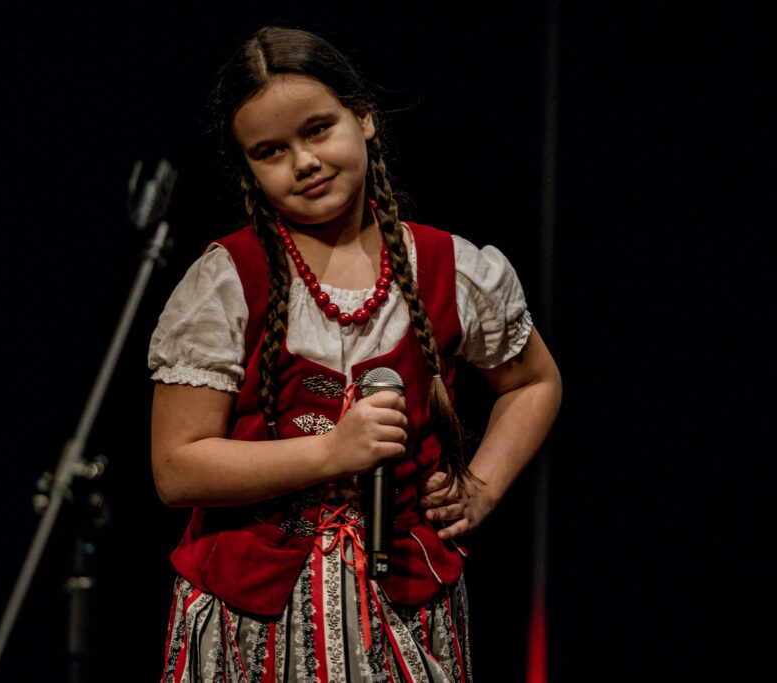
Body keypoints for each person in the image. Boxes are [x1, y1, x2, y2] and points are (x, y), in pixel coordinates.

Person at [148, 26, 561, 682]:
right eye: (271, 150)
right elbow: (176, 467)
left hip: (406, 599)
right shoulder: (229, 281)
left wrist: (479, 489)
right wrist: (329, 453)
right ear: (249, 167)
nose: (304, 161)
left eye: (318, 129)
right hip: (253, 615)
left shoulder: (452, 268)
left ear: (364, 118)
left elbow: (534, 382)